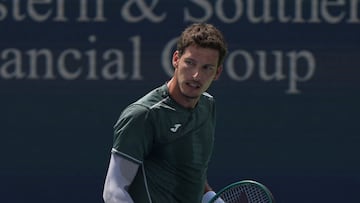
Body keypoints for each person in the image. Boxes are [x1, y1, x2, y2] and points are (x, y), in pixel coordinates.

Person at [103, 22, 227, 203]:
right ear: (176, 59)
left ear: (217, 72)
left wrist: (213, 199)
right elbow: (113, 191)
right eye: (190, 63)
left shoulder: (207, 106)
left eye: (207, 68)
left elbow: (191, 172)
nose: (196, 76)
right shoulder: (144, 115)